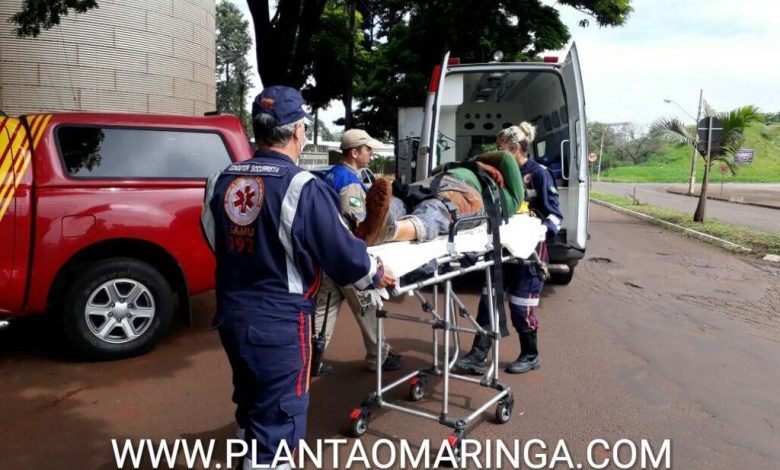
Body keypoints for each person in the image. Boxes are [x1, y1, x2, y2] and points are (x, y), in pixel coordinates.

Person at [200, 86, 395, 469]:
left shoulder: (220, 180)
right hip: (279, 322)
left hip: (232, 313)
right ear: (298, 131)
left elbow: (213, 237)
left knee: (252, 405)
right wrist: (377, 272)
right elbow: (343, 256)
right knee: (280, 422)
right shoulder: (302, 187)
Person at [455, 121, 563, 375]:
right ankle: (479, 354)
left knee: (520, 306)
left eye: (501, 149)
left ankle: (530, 354)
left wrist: (538, 230)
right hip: (501, 248)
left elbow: (556, 215)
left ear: (515, 148)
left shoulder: (539, 174)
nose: (497, 155)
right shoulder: (499, 174)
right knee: (488, 300)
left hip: (528, 250)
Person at [310, 129, 404, 375]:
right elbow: (359, 226)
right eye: (368, 149)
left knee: (324, 309)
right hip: (347, 259)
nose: (371, 154)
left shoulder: (329, 175)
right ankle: (379, 357)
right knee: (368, 306)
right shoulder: (350, 182)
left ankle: (311, 360)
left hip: (326, 257)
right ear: (355, 152)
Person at [356, 149, 526, 246]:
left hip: (461, 189)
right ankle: (365, 225)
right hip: (438, 182)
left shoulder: (510, 200)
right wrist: (477, 164)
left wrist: (477, 163)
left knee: (435, 208)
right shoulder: (471, 168)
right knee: (405, 201)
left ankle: (384, 229)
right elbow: (438, 169)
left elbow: (506, 157)